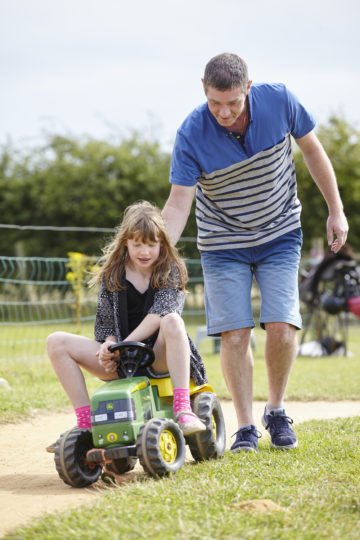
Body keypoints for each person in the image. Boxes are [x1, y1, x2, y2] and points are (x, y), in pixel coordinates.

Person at [162, 53, 348, 453]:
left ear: (249, 87)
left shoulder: (279, 101)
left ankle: (276, 411)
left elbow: (313, 151)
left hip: (280, 231)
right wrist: (160, 252)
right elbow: (178, 204)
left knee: (282, 325)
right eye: (215, 103)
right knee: (234, 334)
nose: (224, 112)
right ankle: (245, 426)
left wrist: (336, 209)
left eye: (233, 102)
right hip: (222, 242)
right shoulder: (191, 133)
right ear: (203, 89)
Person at [46, 201, 207, 451]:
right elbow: (106, 326)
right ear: (126, 243)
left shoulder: (170, 269)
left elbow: (159, 314)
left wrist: (123, 345)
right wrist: (109, 346)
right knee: (55, 341)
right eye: (137, 244)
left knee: (173, 320)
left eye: (151, 244)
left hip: (160, 357)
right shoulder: (113, 274)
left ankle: (183, 409)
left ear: (162, 243)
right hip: (124, 361)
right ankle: (87, 424)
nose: (145, 251)